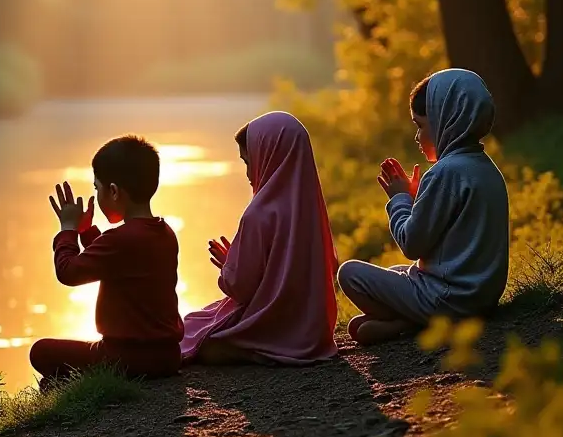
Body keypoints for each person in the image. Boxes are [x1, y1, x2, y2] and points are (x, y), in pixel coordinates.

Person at [337, 68, 510, 346]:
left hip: (447, 298)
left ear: (445, 119)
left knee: (349, 273)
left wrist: (400, 199)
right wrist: (421, 199)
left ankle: (416, 321)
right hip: (480, 298)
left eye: (420, 125)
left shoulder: (444, 173)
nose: (417, 137)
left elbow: (412, 244)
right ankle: (411, 320)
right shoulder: (486, 169)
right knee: (393, 275)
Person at [180, 111, 339, 366]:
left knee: (193, 329)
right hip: (313, 331)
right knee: (203, 318)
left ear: (268, 155)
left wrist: (228, 267)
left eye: (247, 161)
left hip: (274, 326)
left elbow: (241, 288)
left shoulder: (258, 214)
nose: (247, 173)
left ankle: (255, 350)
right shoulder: (311, 207)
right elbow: (330, 263)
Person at [30, 135, 183, 389]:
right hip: (167, 357)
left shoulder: (120, 239)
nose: (97, 195)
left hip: (125, 359)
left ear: (113, 191)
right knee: (53, 378)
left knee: (41, 351)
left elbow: (68, 272)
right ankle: (65, 384)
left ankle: (71, 384)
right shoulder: (164, 232)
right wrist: (87, 232)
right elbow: (118, 264)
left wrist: (67, 229)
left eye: (96, 188)